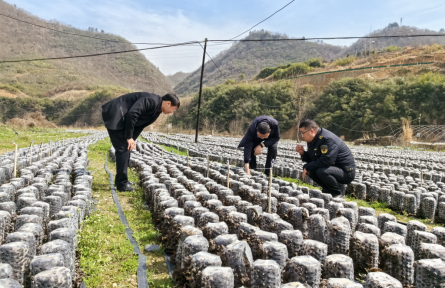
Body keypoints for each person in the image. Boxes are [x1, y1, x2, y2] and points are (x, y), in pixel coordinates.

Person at [102, 92, 180, 191]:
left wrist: (132, 139)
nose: (171, 112)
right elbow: (133, 113)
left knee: (126, 148)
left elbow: (140, 124)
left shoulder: (157, 110)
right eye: (173, 109)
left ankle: (122, 181)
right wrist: (129, 137)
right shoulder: (151, 100)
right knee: (122, 149)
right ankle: (122, 184)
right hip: (116, 114)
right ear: (168, 103)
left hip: (122, 118)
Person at [295, 119, 355, 197]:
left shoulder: (327, 139)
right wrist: (303, 153)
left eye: (303, 133)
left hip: (345, 172)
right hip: (333, 168)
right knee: (310, 168)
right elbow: (313, 159)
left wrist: (308, 166)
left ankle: (337, 191)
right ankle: (327, 189)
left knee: (321, 171)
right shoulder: (313, 140)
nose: (302, 136)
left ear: (312, 131)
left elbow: (326, 160)